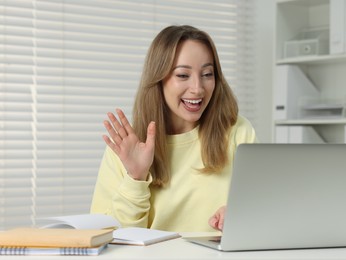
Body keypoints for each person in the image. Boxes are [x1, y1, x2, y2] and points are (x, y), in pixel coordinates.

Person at [90, 25, 257, 232]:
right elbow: (108, 239)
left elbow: (264, 212)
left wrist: (241, 214)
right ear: (158, 80)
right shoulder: (126, 146)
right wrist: (136, 177)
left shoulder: (237, 132)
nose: (198, 88)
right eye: (183, 75)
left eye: (207, 74)